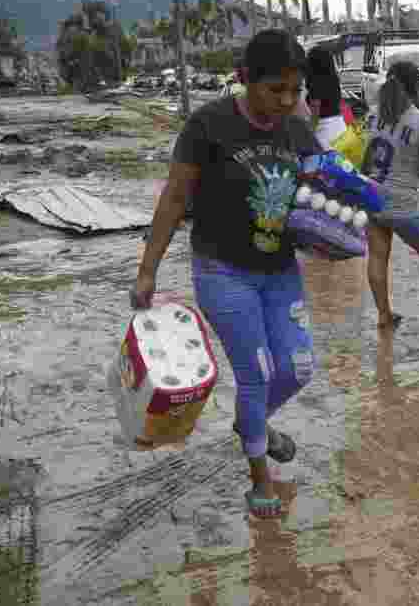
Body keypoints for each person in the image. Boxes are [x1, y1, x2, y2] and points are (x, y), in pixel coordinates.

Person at [130, 29, 322, 519]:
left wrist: (335, 232)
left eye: (294, 90)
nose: (285, 100)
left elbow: (316, 203)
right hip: (223, 272)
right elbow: (174, 198)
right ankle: (261, 479)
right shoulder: (207, 126)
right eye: (274, 89)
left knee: (298, 367)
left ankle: (250, 424)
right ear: (245, 81)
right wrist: (147, 270)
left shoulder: (298, 131)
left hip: (280, 272)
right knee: (256, 373)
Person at [363, 60, 419, 329]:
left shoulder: (371, 114)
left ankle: (384, 316)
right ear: (416, 87)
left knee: (377, 257)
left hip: (371, 200)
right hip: (403, 207)